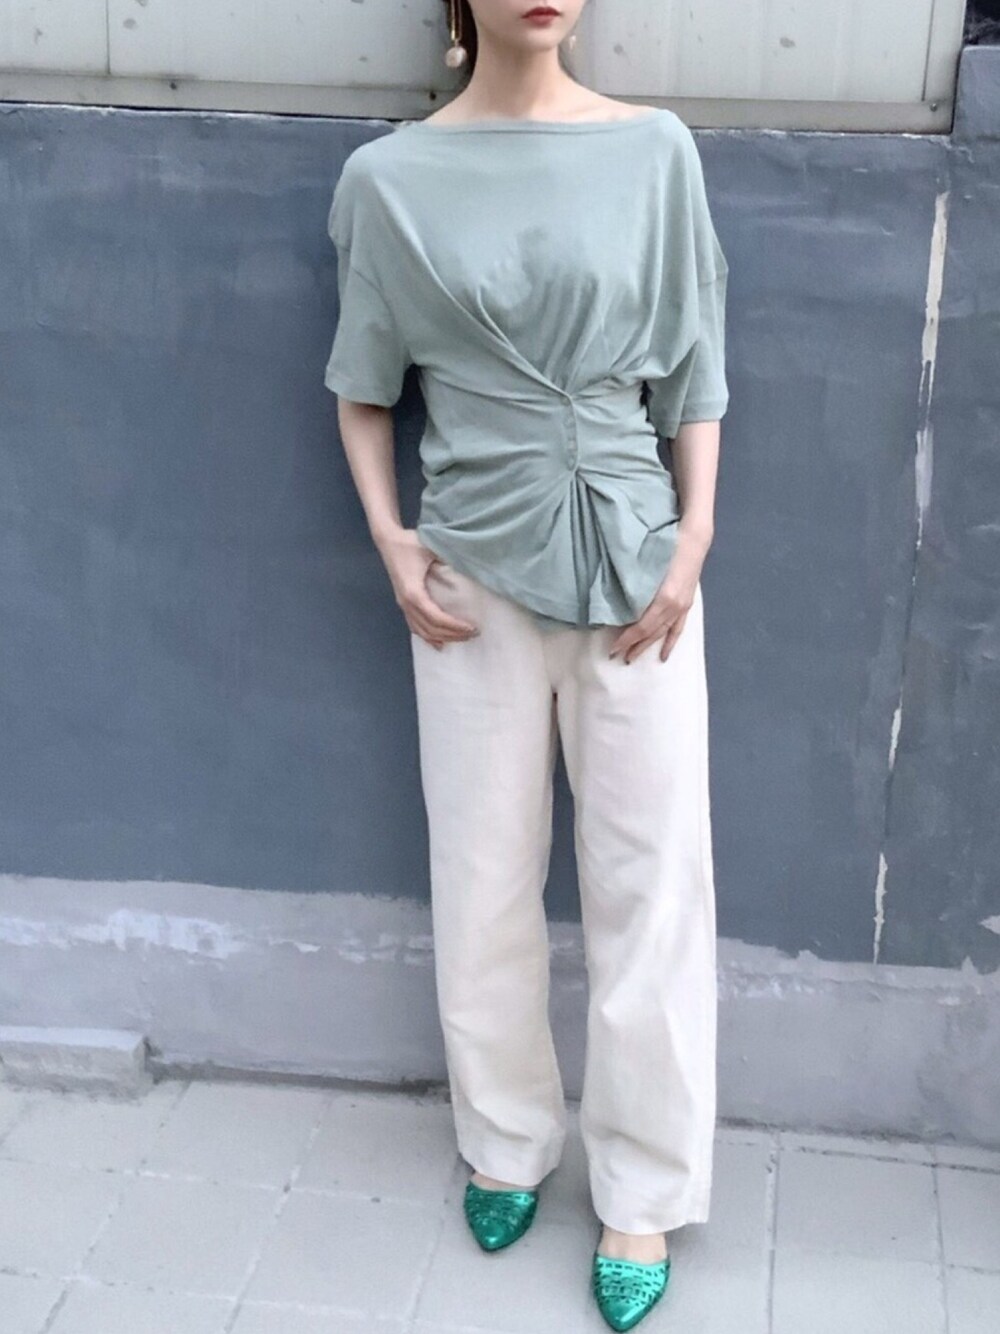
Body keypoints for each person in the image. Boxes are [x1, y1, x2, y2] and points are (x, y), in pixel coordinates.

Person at [323, 2, 729, 1327]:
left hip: (637, 572)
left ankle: (643, 1189)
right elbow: (364, 382)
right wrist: (391, 540)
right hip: (469, 576)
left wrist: (693, 541)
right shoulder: (389, 178)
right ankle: (505, 1138)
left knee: (651, 882)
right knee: (482, 872)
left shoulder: (656, 151)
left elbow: (697, 369)